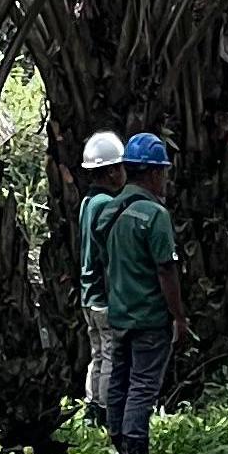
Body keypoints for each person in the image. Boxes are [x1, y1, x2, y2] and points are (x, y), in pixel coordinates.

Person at [96, 131, 188, 454]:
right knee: (143, 384)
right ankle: (136, 451)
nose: (165, 179)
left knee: (119, 379)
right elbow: (166, 270)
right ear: (151, 173)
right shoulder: (154, 215)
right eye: (163, 171)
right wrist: (178, 316)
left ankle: (117, 441)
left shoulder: (109, 211)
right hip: (149, 315)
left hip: (119, 312)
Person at [74, 128, 129, 430]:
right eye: (119, 168)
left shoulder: (87, 202)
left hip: (87, 293)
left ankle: (93, 406)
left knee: (97, 353)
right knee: (110, 353)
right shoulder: (106, 205)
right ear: (109, 172)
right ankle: (107, 411)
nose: (123, 174)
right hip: (103, 295)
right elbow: (109, 254)